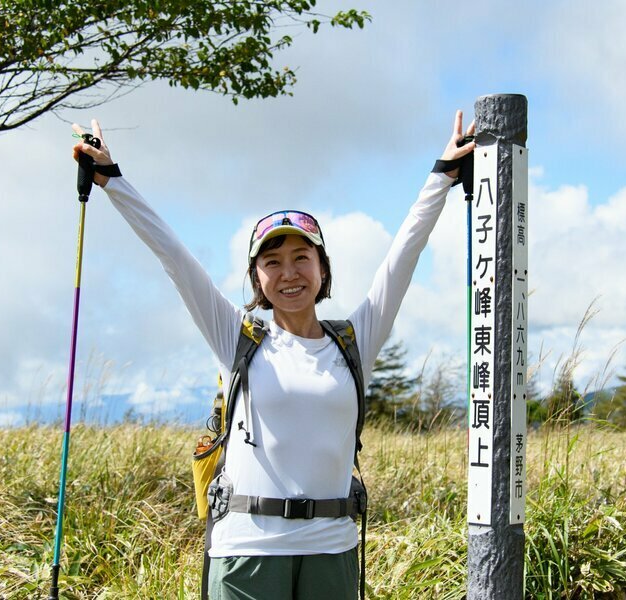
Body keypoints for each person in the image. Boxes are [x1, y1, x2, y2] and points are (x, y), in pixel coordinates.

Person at [71, 112, 475, 600]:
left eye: (301, 258)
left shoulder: (352, 343)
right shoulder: (236, 338)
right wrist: (113, 181)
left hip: (333, 548)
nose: (289, 274)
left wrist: (441, 175)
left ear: (322, 270)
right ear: (257, 277)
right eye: (272, 262)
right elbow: (174, 256)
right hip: (247, 550)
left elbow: (402, 258)